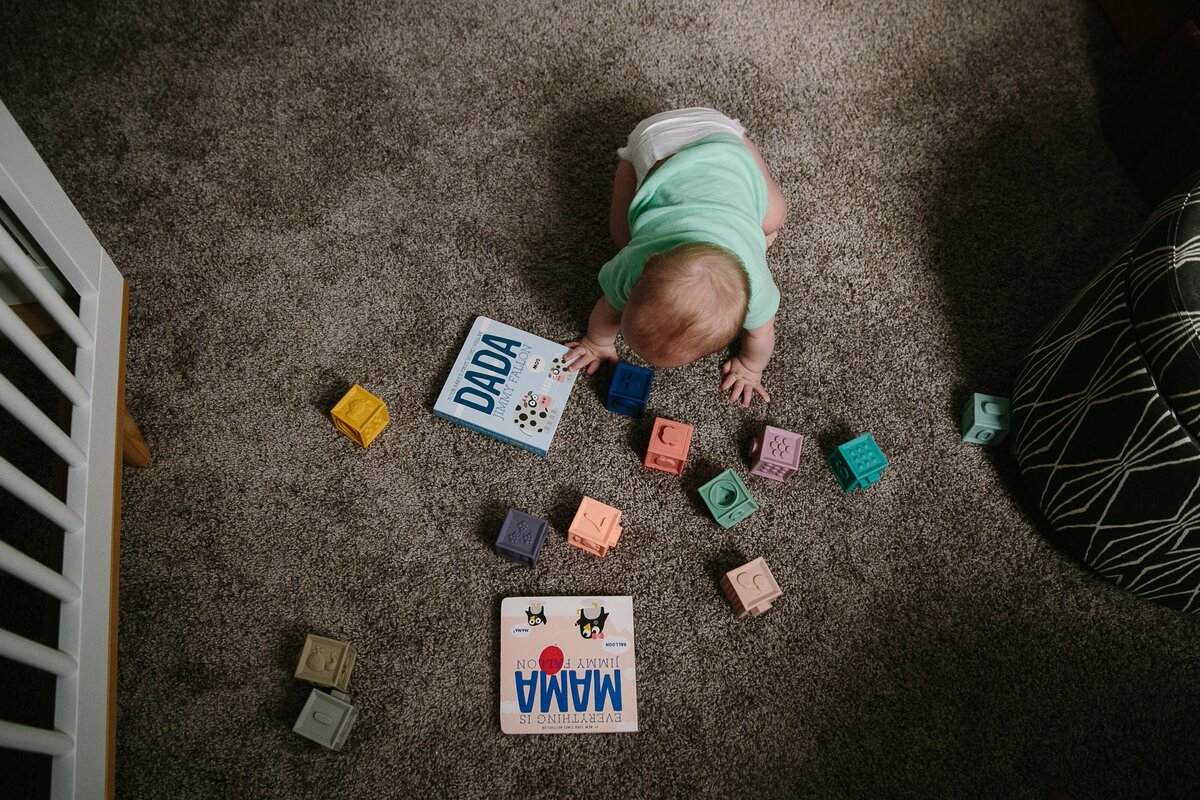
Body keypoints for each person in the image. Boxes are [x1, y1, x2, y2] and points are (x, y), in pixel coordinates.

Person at [565, 107, 787, 407]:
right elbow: (608, 310)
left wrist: (751, 367)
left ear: (650, 262)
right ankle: (629, 163)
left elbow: (762, 338)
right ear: (647, 263)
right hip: (659, 140)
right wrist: (597, 342)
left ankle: (737, 141)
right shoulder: (633, 262)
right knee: (621, 236)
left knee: (774, 217)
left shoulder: (758, 290)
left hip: (716, 147)